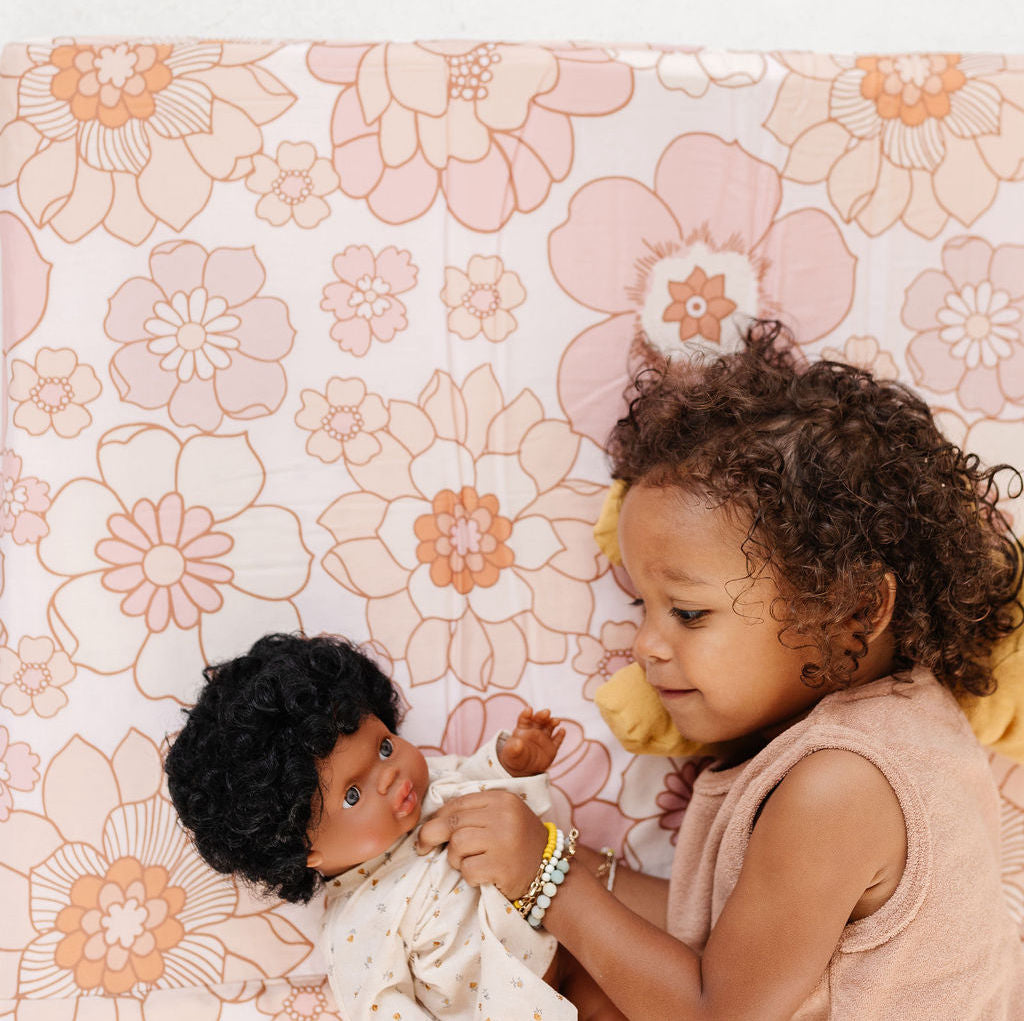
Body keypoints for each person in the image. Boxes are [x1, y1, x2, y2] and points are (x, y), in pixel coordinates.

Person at [417, 319, 1024, 1020]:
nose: (645, 645)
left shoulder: (842, 786)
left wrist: (549, 881)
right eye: (642, 605)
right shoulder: (880, 730)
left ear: (852, 609)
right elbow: (711, 934)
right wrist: (554, 855)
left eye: (688, 612)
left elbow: (715, 1010)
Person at [164, 632, 613, 1021]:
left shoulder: (431, 788)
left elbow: (478, 785)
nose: (391, 776)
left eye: (383, 747)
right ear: (300, 851)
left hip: (568, 946)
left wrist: (513, 766)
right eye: (352, 794)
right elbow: (381, 1006)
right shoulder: (358, 928)